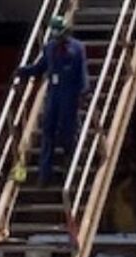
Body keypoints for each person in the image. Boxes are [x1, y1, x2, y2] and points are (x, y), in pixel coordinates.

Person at [16, 15, 89, 186]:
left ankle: (68, 163)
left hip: (69, 95)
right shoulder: (49, 48)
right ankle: (44, 174)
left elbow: (82, 71)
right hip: (54, 95)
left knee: (67, 132)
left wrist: (85, 91)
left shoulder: (78, 48)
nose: (58, 38)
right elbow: (40, 67)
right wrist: (23, 71)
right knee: (47, 132)